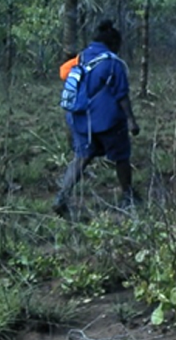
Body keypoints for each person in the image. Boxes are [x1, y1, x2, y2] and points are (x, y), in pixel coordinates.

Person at [53, 20, 141, 218]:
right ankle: (127, 196)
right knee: (121, 156)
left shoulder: (82, 57)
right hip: (107, 121)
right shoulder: (113, 63)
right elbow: (122, 95)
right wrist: (131, 121)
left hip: (80, 120)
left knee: (81, 158)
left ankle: (61, 196)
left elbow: (64, 75)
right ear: (114, 43)